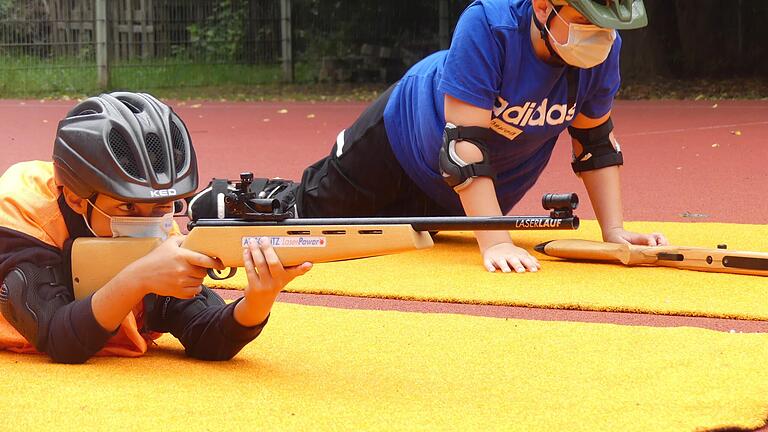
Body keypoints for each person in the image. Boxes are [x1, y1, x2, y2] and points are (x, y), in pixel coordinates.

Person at [296, 0, 668, 274]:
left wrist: (614, 231)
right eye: (586, 20)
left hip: (460, 194)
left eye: (607, 26)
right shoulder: (489, 25)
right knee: (309, 222)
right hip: (397, 141)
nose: (599, 36)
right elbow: (462, 146)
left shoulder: (603, 51)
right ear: (542, 7)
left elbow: (595, 142)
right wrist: (495, 240)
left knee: (395, 243)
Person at [0, 92, 311, 364]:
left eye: (163, 207)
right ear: (75, 198)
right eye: (128, 207)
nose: (148, 223)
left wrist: (258, 300)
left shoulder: (159, 228)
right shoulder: (22, 211)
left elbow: (205, 333)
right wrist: (138, 278)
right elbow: (59, 337)